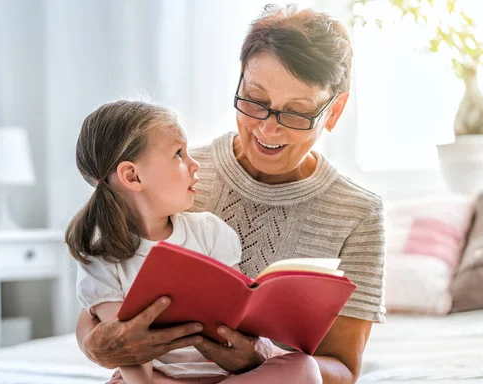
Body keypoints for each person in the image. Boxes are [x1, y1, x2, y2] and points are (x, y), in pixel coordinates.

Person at [75, 4, 386, 384]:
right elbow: (98, 303)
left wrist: (262, 356)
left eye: (296, 113)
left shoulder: (359, 213)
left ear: (334, 111)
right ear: (239, 80)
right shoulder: (172, 179)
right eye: (255, 101)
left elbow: (343, 368)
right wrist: (99, 347)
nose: (268, 131)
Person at [66, 99, 256, 383]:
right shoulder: (102, 259)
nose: (194, 164)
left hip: (226, 375)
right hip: (163, 378)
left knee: (302, 369)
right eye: (179, 154)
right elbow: (129, 350)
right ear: (132, 175)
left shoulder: (210, 231)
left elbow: (242, 314)